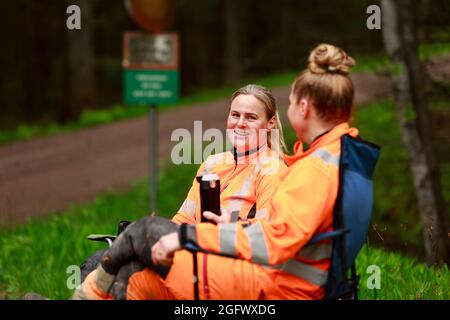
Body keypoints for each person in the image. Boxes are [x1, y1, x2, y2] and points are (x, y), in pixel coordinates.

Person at [73, 43, 359, 300]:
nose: (240, 123)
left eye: (251, 117)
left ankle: (86, 295)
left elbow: (269, 239)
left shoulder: (281, 169)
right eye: (235, 115)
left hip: (239, 270)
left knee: (137, 242)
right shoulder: (214, 163)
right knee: (105, 261)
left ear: (272, 123)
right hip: (208, 258)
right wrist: (169, 238)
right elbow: (183, 218)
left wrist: (198, 234)